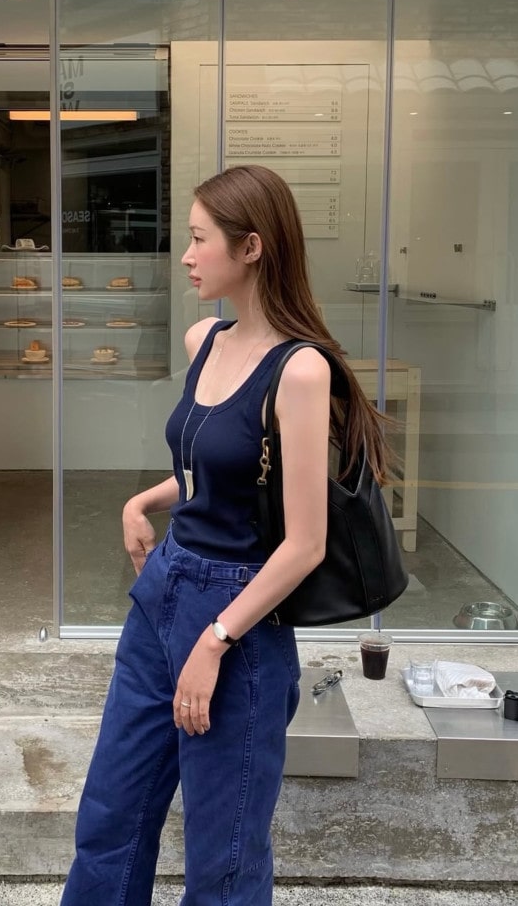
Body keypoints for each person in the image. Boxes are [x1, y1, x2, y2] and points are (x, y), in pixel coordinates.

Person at [60, 164, 390, 906]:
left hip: (239, 617)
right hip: (164, 593)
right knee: (111, 816)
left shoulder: (300, 370)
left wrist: (214, 642)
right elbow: (215, 468)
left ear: (252, 247)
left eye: (199, 239)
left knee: (224, 856)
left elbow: (304, 542)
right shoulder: (204, 340)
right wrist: (143, 500)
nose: (186, 256)